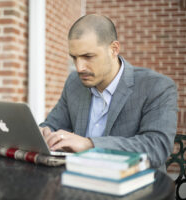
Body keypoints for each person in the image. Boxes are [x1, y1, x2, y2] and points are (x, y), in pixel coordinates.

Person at [39, 14, 178, 172]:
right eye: (74, 58)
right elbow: (52, 125)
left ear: (114, 49)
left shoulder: (157, 87)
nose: (79, 67)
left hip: (135, 187)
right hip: (80, 181)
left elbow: (157, 147)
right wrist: (44, 133)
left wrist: (89, 144)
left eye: (88, 56)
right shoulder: (74, 83)